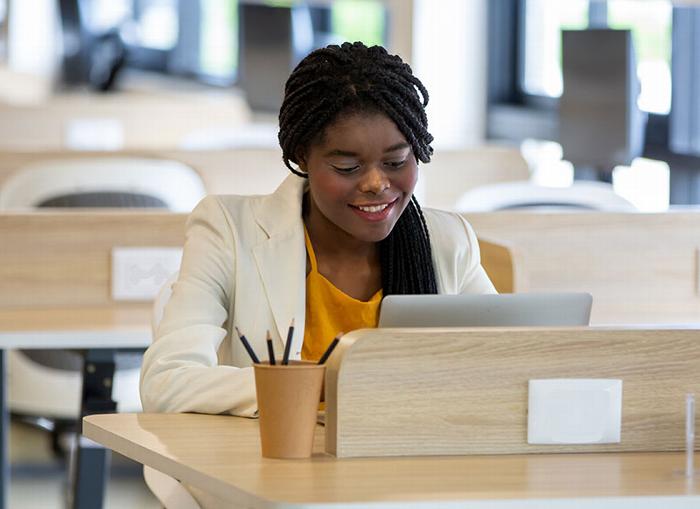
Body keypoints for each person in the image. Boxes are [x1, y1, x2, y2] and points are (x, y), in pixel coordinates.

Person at [140, 42, 496, 417]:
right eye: (347, 167)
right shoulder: (228, 230)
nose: (377, 183)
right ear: (301, 156)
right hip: (271, 468)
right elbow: (167, 383)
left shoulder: (448, 241)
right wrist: (333, 381)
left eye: (396, 161)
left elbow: (511, 366)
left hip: (411, 466)